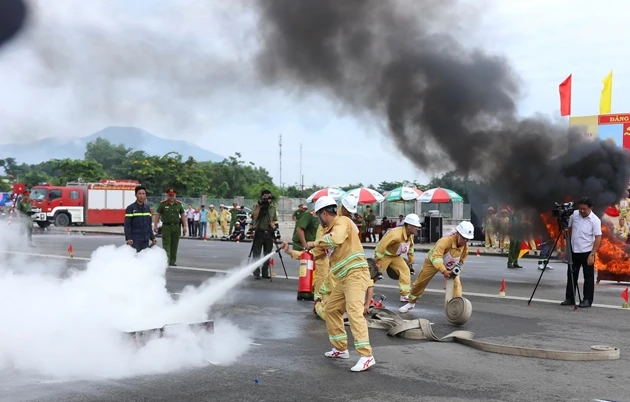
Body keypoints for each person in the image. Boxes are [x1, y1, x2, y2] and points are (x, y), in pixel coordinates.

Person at [305, 195, 375, 372]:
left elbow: (334, 240)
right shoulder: (329, 230)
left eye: (318, 215)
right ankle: (341, 348)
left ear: (324, 213)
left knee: (354, 312)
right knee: (331, 309)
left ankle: (367, 356)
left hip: (356, 275)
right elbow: (319, 253)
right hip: (344, 278)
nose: (319, 219)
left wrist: (313, 242)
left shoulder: (342, 222)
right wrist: (293, 251)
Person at [399, 221, 474, 313]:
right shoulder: (445, 241)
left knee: (457, 287)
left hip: (450, 265)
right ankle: (411, 303)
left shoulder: (465, 247)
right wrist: (443, 271)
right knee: (420, 283)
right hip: (432, 262)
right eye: (463, 238)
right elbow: (436, 257)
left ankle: (456, 309)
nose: (465, 241)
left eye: (467, 239)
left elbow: (461, 260)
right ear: (457, 234)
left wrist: (454, 270)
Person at [561, 197, 602, 308]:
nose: (582, 211)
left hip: (587, 252)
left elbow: (598, 237)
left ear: (591, 208)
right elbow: (568, 227)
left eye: (584, 209)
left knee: (588, 277)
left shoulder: (595, 220)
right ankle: (570, 298)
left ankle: (587, 300)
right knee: (571, 275)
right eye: (580, 209)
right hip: (574, 250)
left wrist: (592, 253)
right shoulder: (574, 214)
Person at [374, 213, 421, 302]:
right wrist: (378, 260)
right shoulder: (395, 234)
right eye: (415, 226)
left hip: (395, 257)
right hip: (384, 256)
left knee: (405, 270)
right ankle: (362, 289)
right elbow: (381, 246)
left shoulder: (410, 235)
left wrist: (411, 257)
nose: (417, 228)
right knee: (375, 274)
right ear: (409, 226)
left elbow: (411, 246)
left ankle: (404, 295)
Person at [154, 188, 187, 266]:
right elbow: (158, 214)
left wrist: (185, 226)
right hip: (166, 226)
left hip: (176, 226)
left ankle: (172, 261)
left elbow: (182, 215)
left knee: (174, 244)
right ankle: (166, 260)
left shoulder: (179, 204)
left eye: (173, 195)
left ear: (175, 195)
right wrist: (155, 225)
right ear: (167, 196)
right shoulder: (163, 204)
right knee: (166, 244)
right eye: (170, 195)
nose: (171, 197)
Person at [250, 189, 278, 279]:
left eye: (269, 197)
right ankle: (256, 273)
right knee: (256, 253)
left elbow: (274, 220)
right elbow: (254, 217)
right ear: (262, 197)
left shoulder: (273, 208)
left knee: (267, 253)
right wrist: (259, 206)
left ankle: (265, 272)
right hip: (259, 231)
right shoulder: (257, 205)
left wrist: (273, 226)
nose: (267, 199)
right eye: (265, 197)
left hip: (269, 232)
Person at [124, 185, 156, 253]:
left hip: (145, 239)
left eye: (143, 194)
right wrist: (128, 238)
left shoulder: (147, 208)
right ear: (136, 195)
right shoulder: (131, 208)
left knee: (144, 258)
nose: (142, 196)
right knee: (135, 259)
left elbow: (149, 225)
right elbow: (127, 225)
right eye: (140, 194)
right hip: (135, 239)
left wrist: (152, 238)